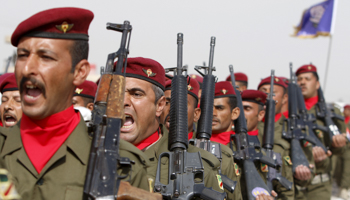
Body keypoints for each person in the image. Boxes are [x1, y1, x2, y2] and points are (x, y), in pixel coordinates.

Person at [0, 8, 150, 200]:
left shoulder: (123, 163)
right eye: (22, 55)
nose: (28, 68)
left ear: (80, 72)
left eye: (46, 57)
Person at [120, 57, 225, 194]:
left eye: (137, 94)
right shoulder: (92, 154)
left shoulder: (200, 166)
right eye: (117, 93)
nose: (124, 101)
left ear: (159, 105)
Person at [161, 77, 242, 200]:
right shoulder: (149, 149)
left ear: (196, 114)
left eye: (182, 104)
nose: (173, 109)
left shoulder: (216, 155)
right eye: (167, 102)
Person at [296, 64, 347, 200]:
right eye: (299, 79)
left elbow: (344, 149)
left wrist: (337, 145)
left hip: (319, 184)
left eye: (307, 79)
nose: (302, 82)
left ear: (317, 84)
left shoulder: (331, 112)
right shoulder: (290, 112)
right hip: (294, 185)